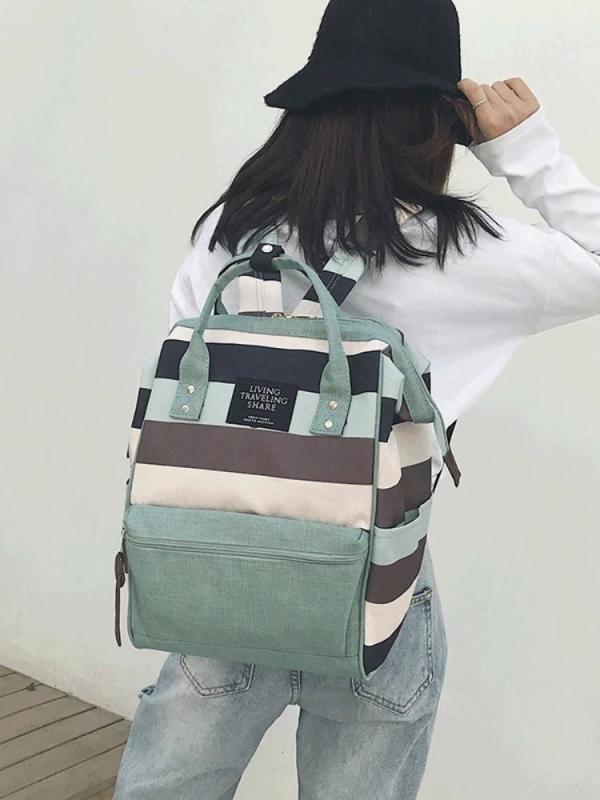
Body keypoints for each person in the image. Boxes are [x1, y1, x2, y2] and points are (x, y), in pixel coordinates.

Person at [113, 0, 600, 797]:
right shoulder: (458, 248)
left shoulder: (235, 228)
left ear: (310, 109)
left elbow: (184, 364)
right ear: (436, 123)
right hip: (381, 583)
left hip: (224, 553)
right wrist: (524, 149)